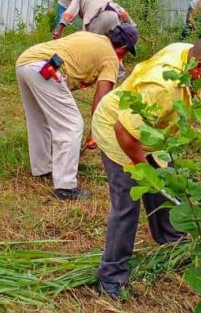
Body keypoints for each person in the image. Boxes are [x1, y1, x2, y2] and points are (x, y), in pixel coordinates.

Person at [91, 33, 201, 298]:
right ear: (200, 69)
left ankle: (169, 239)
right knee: (128, 203)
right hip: (118, 129)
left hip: (150, 132)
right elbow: (124, 131)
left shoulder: (186, 53)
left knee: (163, 183)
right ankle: (111, 276)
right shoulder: (163, 87)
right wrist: (144, 171)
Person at [16, 24, 138, 200]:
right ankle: (65, 187)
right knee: (71, 125)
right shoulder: (111, 58)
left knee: (39, 120)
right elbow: (102, 98)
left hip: (26, 61)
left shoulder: (89, 35)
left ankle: (43, 169)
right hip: (46, 69)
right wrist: (94, 132)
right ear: (123, 48)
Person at [52, 0, 134, 40]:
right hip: (114, 15)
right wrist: (132, 27)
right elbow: (120, 11)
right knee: (111, 49)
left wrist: (58, 31)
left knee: (88, 48)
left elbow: (69, 13)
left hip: (96, 17)